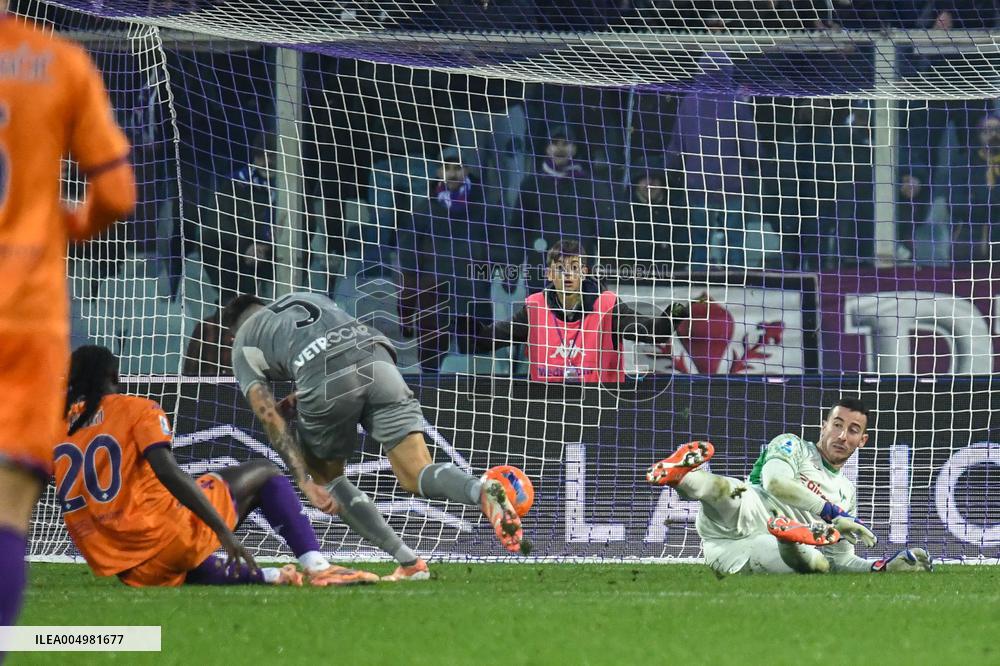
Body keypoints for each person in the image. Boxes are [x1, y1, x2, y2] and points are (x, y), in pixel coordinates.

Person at [222, 291, 530, 582]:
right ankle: (481, 490)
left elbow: (267, 415)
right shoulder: (303, 297)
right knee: (417, 472)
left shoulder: (243, 343)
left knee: (327, 479)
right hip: (377, 358)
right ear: (264, 306)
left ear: (232, 336)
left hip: (325, 380)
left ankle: (409, 562)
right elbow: (330, 347)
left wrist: (304, 479)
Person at [0, 6, 137, 628]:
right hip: (25, 315)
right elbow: (116, 196)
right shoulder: (57, 62)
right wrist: (63, 224)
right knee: (8, 507)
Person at [57, 346, 377, 587]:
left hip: (129, 568)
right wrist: (223, 531)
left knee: (184, 545)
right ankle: (319, 568)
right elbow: (167, 472)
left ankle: (268, 576)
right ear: (115, 377)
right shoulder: (137, 409)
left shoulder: (56, 428)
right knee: (265, 472)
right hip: (165, 540)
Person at [646, 398, 934, 575]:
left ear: (863, 441)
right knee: (729, 492)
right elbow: (775, 482)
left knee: (820, 565)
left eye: (853, 430)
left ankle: (789, 537)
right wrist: (831, 513)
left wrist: (880, 567)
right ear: (823, 426)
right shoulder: (792, 445)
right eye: (837, 425)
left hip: (746, 554)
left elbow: (842, 562)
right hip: (748, 513)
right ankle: (679, 476)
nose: (842, 435)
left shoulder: (847, 492)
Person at [462, 239, 689, 383]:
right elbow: (487, 340)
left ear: (585, 272)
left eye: (574, 268)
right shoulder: (535, 307)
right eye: (560, 269)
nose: (567, 275)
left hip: (600, 405)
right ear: (549, 274)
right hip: (547, 407)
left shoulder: (608, 306)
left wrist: (675, 313)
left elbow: (652, 332)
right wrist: (466, 327)